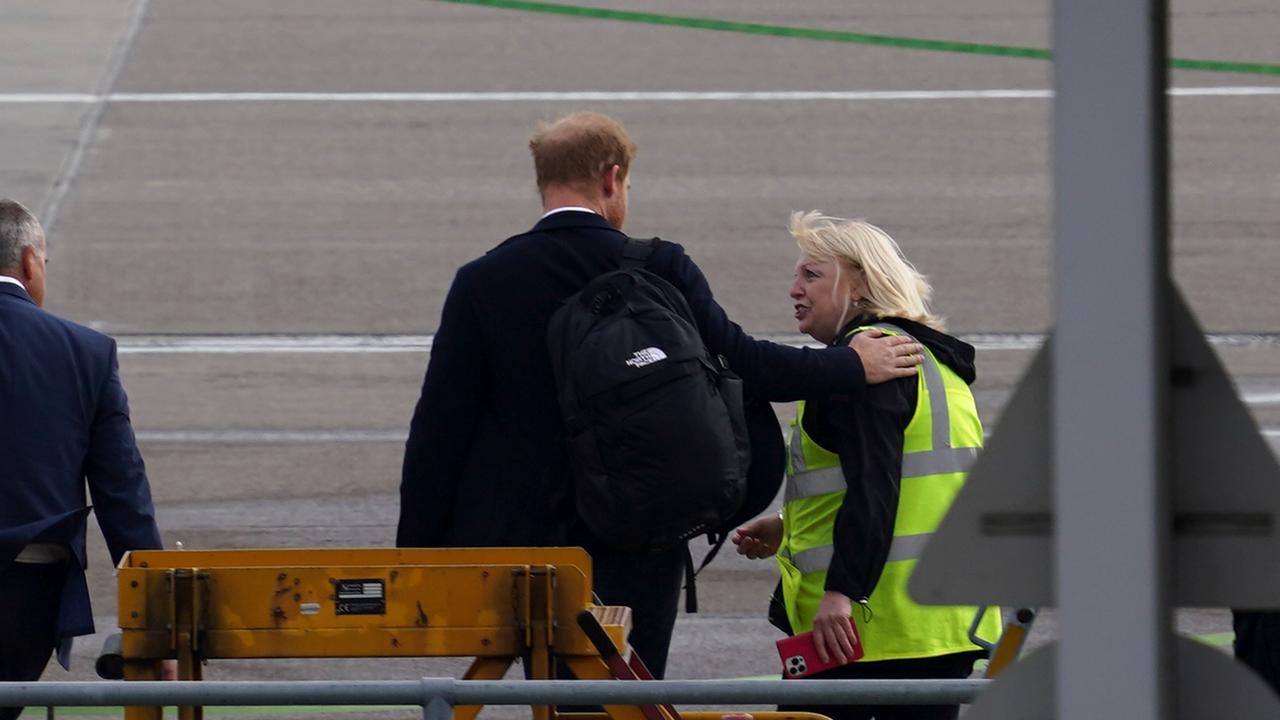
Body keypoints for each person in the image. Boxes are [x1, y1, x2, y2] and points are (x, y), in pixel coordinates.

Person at [396, 112, 924, 679]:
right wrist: (850, 365)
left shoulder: (484, 280)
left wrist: (417, 566)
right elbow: (745, 364)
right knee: (633, 696)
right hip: (641, 529)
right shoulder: (657, 265)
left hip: (531, 548)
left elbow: (439, 431)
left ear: (542, 181)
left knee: (557, 697)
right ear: (612, 179)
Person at [733, 212, 1000, 719]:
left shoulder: (869, 362)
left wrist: (842, 591)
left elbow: (876, 483)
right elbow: (915, 487)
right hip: (943, 625)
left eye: (811, 275)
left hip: (865, 631)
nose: (793, 289)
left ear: (859, 285)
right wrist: (791, 526)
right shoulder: (935, 363)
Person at [0, 198, 170, 719]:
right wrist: (157, 625)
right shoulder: (84, 353)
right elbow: (124, 498)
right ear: (30, 263)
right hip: (24, 591)